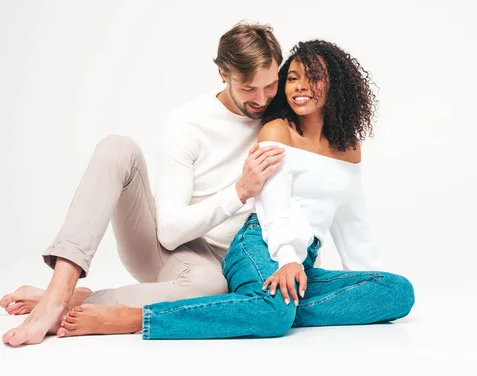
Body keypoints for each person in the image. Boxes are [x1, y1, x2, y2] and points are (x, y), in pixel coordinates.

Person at [50, 39, 415, 339]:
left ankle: (249, 304)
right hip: (262, 242)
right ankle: (138, 318)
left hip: (301, 258)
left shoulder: (349, 146)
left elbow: (353, 219)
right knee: (273, 317)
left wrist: (366, 276)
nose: (299, 86)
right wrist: (287, 257)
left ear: (337, 84)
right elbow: (273, 204)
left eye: (313, 78)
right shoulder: (277, 131)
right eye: (293, 78)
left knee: (397, 292)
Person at [1, 21, 286, 346]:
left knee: (211, 285)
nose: (261, 99)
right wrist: (239, 192)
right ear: (223, 72)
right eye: (249, 88)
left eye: (270, 86)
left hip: (223, 269)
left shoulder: (283, 115)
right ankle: (57, 293)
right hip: (169, 249)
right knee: (117, 148)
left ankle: (80, 301)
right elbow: (169, 231)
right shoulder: (188, 123)